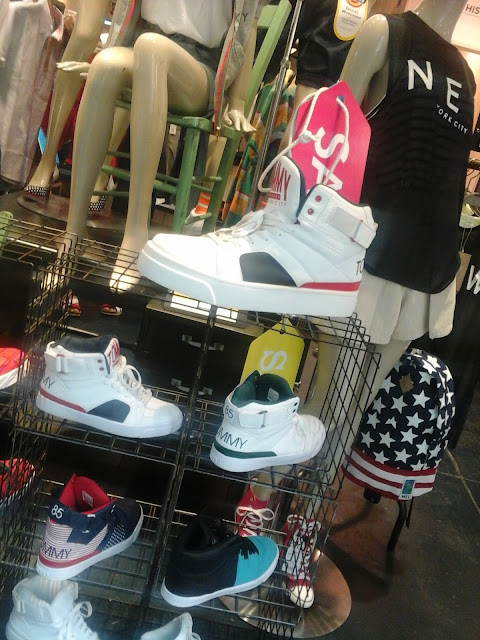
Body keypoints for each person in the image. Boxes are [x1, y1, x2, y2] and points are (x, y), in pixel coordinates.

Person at [62, 0, 267, 288]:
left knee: (152, 48)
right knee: (106, 64)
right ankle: (72, 234)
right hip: (144, 46)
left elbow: (249, 22)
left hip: (199, 67)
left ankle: (136, 233)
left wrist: (238, 101)